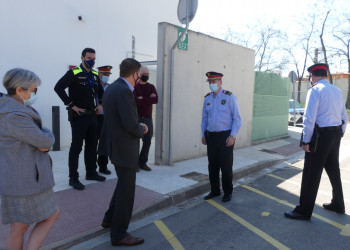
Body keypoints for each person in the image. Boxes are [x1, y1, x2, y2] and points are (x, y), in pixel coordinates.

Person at [0, 68, 60, 250]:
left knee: (19, 227)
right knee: (26, 224)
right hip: (24, 181)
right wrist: (46, 134)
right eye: (33, 90)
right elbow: (44, 141)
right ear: (19, 89)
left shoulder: (15, 107)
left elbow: (41, 142)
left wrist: (42, 140)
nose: (34, 93)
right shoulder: (14, 116)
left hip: (21, 178)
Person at [285, 63, 348, 220]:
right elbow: (344, 117)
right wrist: (340, 133)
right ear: (325, 75)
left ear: (313, 76)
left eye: (311, 77)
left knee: (311, 173)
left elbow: (309, 118)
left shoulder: (315, 90)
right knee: (333, 170)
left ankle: (304, 211)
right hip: (334, 134)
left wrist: (306, 141)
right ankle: (338, 204)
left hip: (320, 136)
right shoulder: (337, 90)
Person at [98, 58, 148, 246]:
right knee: (127, 193)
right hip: (125, 148)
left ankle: (109, 219)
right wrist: (141, 128)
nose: (139, 78)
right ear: (134, 74)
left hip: (114, 146)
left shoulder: (112, 88)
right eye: (139, 75)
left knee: (122, 186)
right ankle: (119, 234)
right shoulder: (124, 91)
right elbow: (129, 124)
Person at [54, 48, 106, 190]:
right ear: (82, 58)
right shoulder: (73, 73)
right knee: (76, 148)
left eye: (94, 58)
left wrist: (100, 104)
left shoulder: (95, 75)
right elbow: (58, 88)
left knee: (91, 146)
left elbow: (101, 92)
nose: (92, 61)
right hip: (79, 117)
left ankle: (91, 172)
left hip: (92, 116)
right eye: (89, 58)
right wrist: (71, 105)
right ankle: (73, 178)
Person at [201, 71, 242, 202]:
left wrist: (233, 136)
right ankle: (214, 190)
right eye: (210, 82)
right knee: (212, 165)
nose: (212, 84)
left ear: (220, 81)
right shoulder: (207, 98)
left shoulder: (229, 97)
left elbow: (237, 119)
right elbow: (204, 119)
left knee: (226, 166)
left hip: (225, 136)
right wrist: (203, 134)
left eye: (214, 81)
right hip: (211, 136)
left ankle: (228, 192)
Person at [133, 66, 158, 171]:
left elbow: (155, 99)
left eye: (148, 75)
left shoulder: (151, 86)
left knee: (147, 141)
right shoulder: (135, 86)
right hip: (136, 118)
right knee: (135, 143)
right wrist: (148, 99)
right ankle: (134, 165)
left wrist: (142, 98)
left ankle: (142, 162)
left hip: (147, 119)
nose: (146, 76)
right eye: (144, 74)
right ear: (139, 74)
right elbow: (135, 101)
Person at [96, 65, 113, 175]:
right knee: (92, 143)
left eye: (108, 74)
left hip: (106, 118)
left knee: (105, 142)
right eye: (104, 74)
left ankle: (103, 166)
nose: (106, 76)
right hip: (95, 117)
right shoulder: (94, 85)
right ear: (99, 74)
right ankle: (92, 167)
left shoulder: (110, 87)